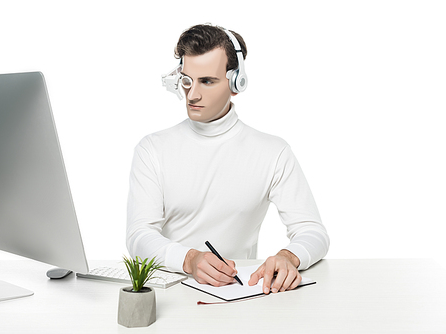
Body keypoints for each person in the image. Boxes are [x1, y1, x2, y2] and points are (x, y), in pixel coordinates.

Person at [126, 24, 329, 294]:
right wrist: (190, 259)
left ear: (236, 84)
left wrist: (288, 257)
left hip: (239, 295)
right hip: (168, 294)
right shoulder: (152, 149)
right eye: (187, 80)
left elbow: (313, 231)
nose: (192, 94)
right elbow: (138, 236)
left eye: (207, 81)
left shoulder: (273, 152)